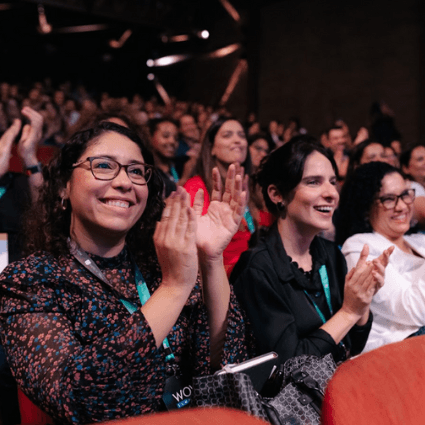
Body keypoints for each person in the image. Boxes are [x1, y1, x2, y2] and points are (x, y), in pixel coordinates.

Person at [0, 122, 251, 424]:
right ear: (64, 186)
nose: (125, 182)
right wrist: (172, 290)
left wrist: (210, 258)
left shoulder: (159, 262)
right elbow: (77, 400)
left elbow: (230, 361)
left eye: (135, 171)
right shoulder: (30, 280)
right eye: (104, 166)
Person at [232, 138, 392, 364]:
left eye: (333, 182)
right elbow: (288, 363)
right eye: (313, 182)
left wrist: (362, 303)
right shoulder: (257, 268)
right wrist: (349, 312)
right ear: (277, 194)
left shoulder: (330, 254)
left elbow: (352, 345)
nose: (331, 193)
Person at [337, 161, 425, 352]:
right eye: (388, 199)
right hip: (400, 351)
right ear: (366, 206)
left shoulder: (419, 241)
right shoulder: (361, 246)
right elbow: (415, 310)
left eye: (405, 195)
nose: (401, 206)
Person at [184, 117, 256, 276]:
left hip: (250, 275)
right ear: (212, 148)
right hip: (216, 280)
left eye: (242, 135)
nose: (238, 140)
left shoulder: (251, 184)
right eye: (227, 135)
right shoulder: (196, 188)